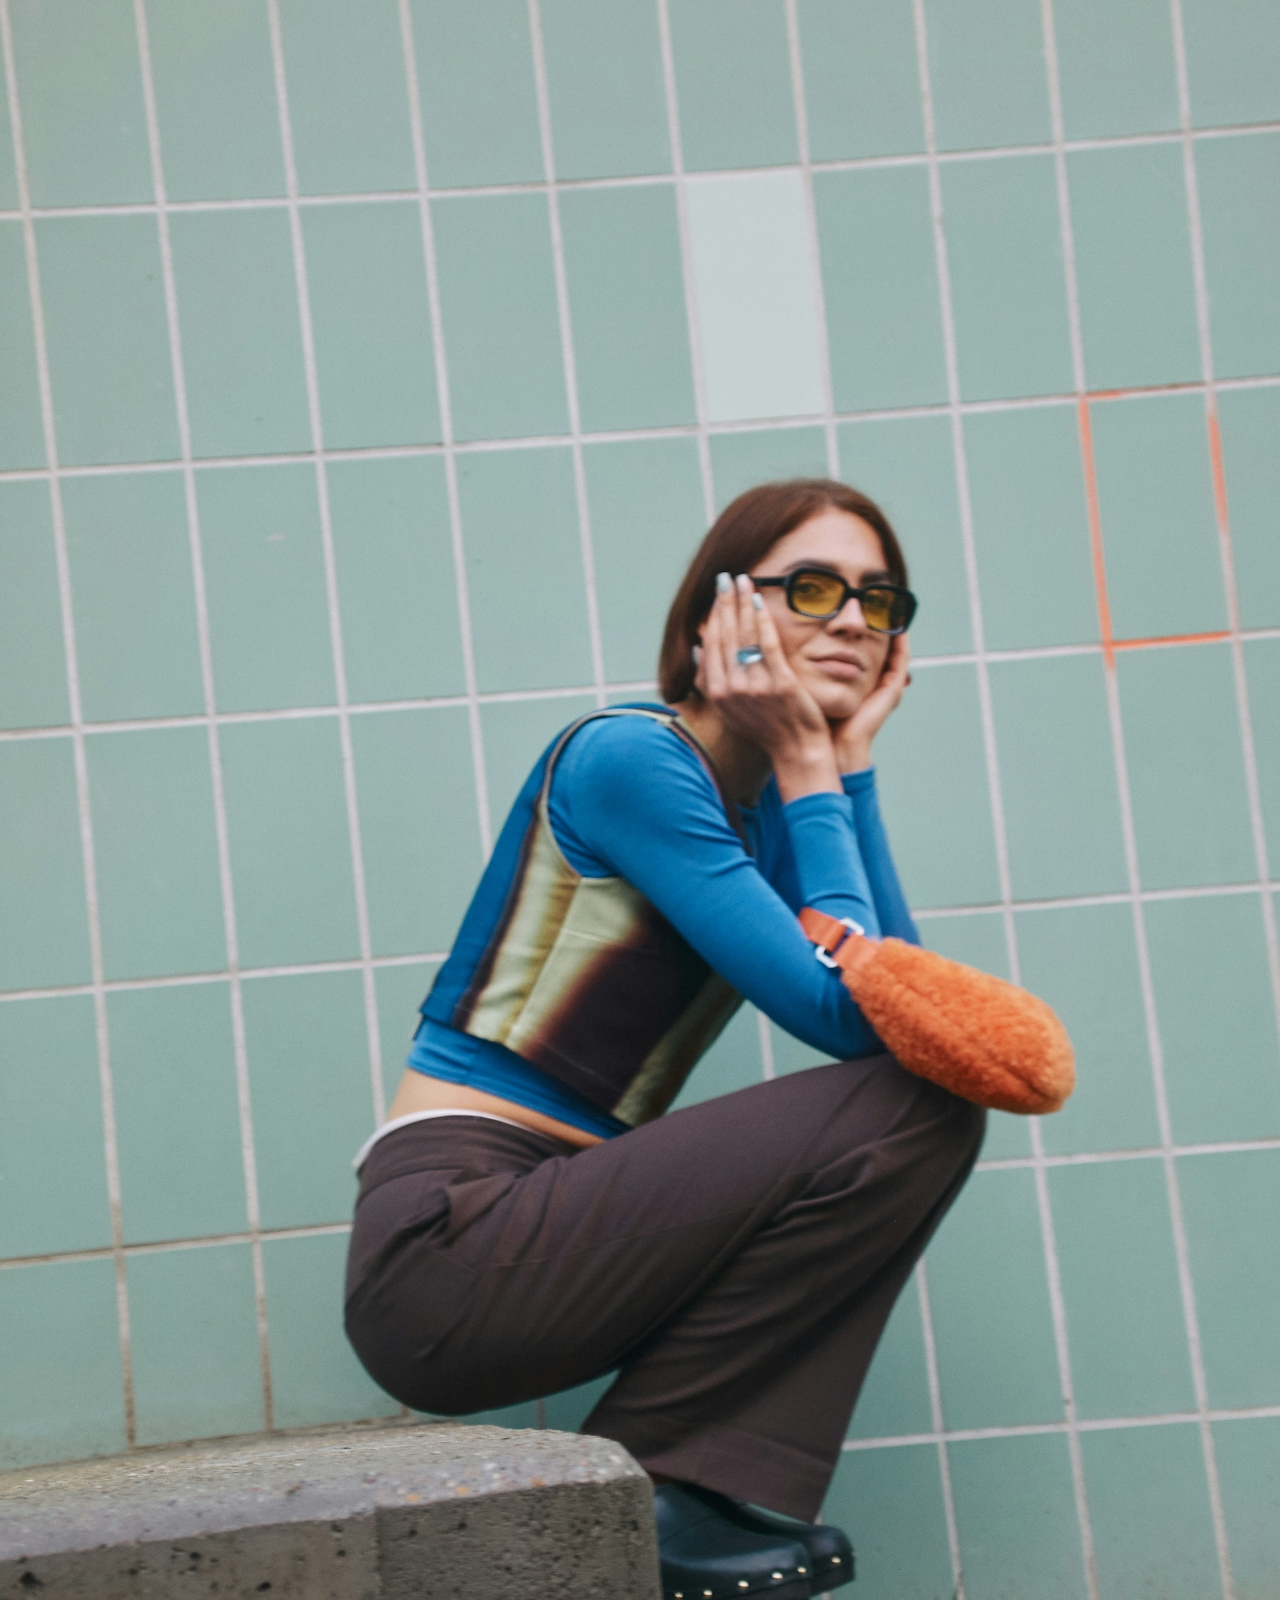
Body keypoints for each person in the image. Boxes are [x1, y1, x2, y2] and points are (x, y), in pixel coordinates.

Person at [344, 479, 985, 1600]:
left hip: (558, 1235)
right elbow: (856, 1017)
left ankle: (668, 1496)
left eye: (878, 601)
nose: (850, 620)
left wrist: (846, 770)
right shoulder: (628, 760)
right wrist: (806, 766)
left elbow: (909, 1018)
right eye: (814, 586)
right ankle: (668, 1487)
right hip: (450, 1244)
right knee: (915, 1108)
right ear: (715, 618)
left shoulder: (768, 816)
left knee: (923, 1097)